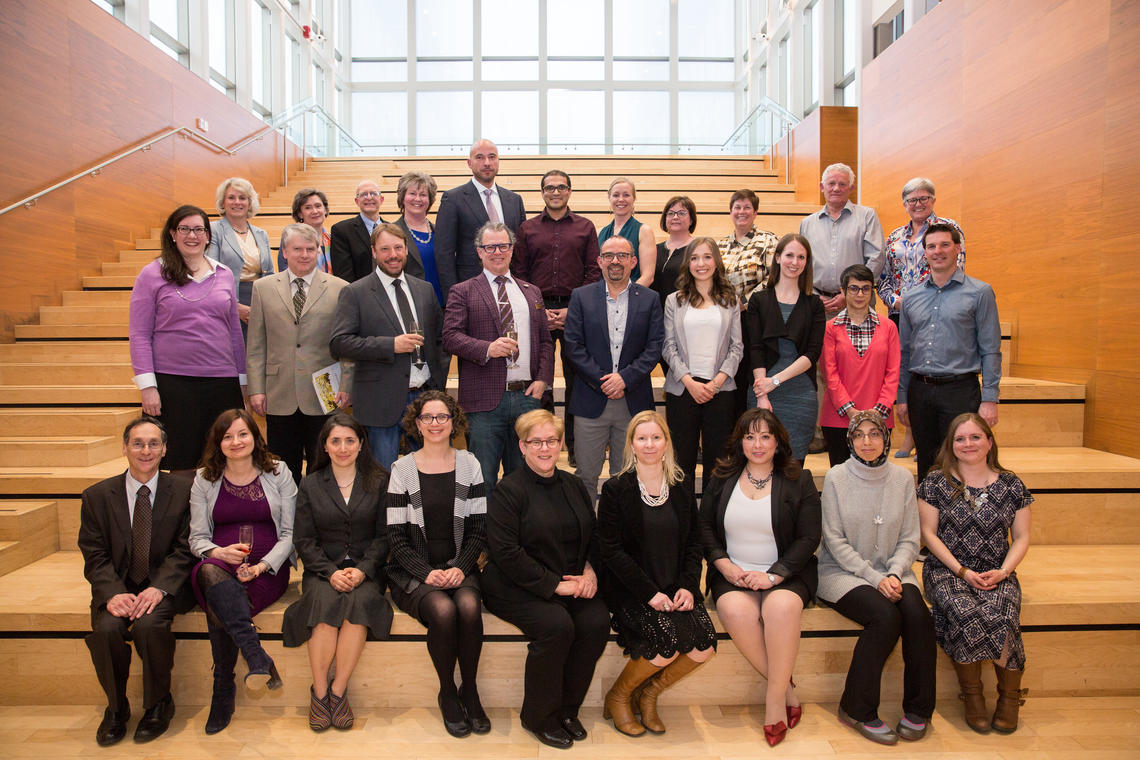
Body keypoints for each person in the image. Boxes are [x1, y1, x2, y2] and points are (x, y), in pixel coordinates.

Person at [481, 409, 609, 749]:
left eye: (551, 440)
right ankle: (537, 715)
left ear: (561, 445)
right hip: (515, 584)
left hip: (569, 579)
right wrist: (556, 585)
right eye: (535, 441)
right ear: (521, 446)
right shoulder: (509, 490)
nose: (544, 448)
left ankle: (566, 708)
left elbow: (593, 535)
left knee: (596, 621)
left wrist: (590, 570)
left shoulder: (574, 484)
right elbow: (506, 553)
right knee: (557, 626)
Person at [699, 408, 820, 747]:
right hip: (732, 571)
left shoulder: (800, 479)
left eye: (765, 436)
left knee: (779, 610)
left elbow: (809, 539)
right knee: (738, 611)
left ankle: (773, 704)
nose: (757, 444)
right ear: (739, 442)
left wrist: (774, 576)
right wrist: (722, 564)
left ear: (778, 441)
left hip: (787, 571)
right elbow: (705, 526)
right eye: (750, 436)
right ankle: (788, 691)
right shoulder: (722, 476)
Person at [817, 411, 936, 745]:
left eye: (874, 434)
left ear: (886, 438)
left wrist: (895, 573)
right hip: (842, 573)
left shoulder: (901, 479)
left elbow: (911, 538)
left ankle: (919, 709)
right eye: (859, 435)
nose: (866, 442)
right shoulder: (836, 477)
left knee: (918, 616)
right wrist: (874, 577)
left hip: (894, 570)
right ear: (849, 440)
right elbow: (834, 540)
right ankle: (856, 708)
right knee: (885, 617)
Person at [597, 411, 716, 737]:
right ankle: (619, 695)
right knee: (666, 641)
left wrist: (689, 587)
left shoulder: (680, 485)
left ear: (666, 443)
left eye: (656, 437)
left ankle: (649, 694)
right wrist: (650, 593)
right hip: (632, 590)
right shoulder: (616, 489)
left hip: (675, 586)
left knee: (704, 644)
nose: (649, 444)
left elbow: (694, 543)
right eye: (642, 438)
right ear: (632, 445)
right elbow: (611, 551)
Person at [78, 417, 194, 746]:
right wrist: (112, 594)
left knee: (148, 627)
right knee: (107, 631)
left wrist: (159, 587)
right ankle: (116, 708)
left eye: (153, 443)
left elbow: (186, 547)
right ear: (125, 447)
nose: (146, 450)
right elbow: (94, 554)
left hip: (164, 584)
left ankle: (159, 704)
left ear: (165, 449)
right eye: (138, 443)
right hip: (117, 584)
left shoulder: (185, 491)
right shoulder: (97, 496)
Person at [918, 413, 1032, 735]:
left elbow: (1021, 537)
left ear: (989, 442)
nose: (968, 444)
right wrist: (962, 571)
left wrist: (1004, 571)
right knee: (966, 613)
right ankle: (972, 695)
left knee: (1004, 614)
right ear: (951, 446)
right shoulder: (935, 483)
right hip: (947, 570)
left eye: (975, 437)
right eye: (960, 439)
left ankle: (1009, 697)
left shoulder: (1012, 484)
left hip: (999, 570)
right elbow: (928, 534)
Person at [386, 391, 490, 738]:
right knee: (443, 611)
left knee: (469, 605)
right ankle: (448, 691)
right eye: (427, 417)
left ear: (453, 421)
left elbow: (478, 528)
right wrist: (426, 572)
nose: (435, 424)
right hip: (413, 569)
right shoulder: (401, 470)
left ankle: (470, 690)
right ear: (417, 424)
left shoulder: (469, 464)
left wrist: (461, 566)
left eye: (442, 417)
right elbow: (396, 538)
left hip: (460, 564)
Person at [282, 412, 392, 732]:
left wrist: (362, 571)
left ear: (361, 445)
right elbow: (304, 539)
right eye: (335, 441)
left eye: (349, 440)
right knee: (323, 606)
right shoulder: (312, 483)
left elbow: (385, 537)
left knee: (358, 607)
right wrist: (330, 572)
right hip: (321, 571)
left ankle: (338, 691)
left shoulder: (380, 480)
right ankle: (319, 693)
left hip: (366, 572)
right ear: (325, 446)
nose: (343, 447)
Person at [188, 409, 296, 735]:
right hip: (219, 563)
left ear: (254, 436)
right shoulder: (204, 478)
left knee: (221, 600)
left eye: (242, 434)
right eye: (227, 436)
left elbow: (290, 534)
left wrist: (262, 566)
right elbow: (196, 538)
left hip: (267, 570)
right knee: (210, 575)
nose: (236, 442)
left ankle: (223, 686)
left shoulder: (278, 472)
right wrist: (218, 552)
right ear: (218, 443)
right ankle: (255, 655)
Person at [129, 205, 245, 474]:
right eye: (184, 229)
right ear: (172, 234)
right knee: (181, 463)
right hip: (173, 384)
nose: (192, 235)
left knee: (227, 460)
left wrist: (243, 381)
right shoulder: (151, 274)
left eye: (198, 229)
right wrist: (147, 386)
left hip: (221, 381)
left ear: (207, 236)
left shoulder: (224, 273)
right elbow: (139, 334)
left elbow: (235, 334)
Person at [443, 222, 553, 492]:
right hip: (484, 402)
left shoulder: (531, 292)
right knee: (483, 480)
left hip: (527, 398)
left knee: (525, 479)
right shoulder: (463, 291)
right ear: (479, 251)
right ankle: (485, 535)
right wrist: (487, 348)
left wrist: (542, 380)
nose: (497, 252)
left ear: (512, 249)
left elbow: (546, 342)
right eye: (489, 246)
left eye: (503, 246)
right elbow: (450, 337)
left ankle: (520, 534)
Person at [330, 223, 446, 469]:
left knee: (430, 472)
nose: (393, 255)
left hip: (424, 398)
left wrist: (437, 385)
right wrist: (390, 345)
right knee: (382, 477)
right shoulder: (355, 292)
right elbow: (340, 343)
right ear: (373, 252)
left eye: (398, 248)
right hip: (379, 401)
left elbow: (439, 340)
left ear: (406, 249)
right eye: (385, 249)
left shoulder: (424, 290)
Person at [246, 224, 353, 484]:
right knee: (282, 468)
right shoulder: (263, 288)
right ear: (284, 251)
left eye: (310, 249)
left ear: (318, 251)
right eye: (297, 249)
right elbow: (256, 344)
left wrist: (348, 384)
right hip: (279, 391)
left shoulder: (340, 288)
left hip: (325, 391)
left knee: (323, 467)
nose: (304, 254)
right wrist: (256, 389)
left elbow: (346, 343)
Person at [564, 235, 664, 501]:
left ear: (633, 261)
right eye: (608, 255)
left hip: (633, 401)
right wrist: (604, 380)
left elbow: (654, 346)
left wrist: (625, 379)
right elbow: (573, 345)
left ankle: (619, 537)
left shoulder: (650, 299)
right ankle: (586, 538)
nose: (615, 261)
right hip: (590, 399)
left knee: (627, 477)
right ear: (599, 261)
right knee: (585, 475)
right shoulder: (581, 297)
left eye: (622, 255)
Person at [898, 223, 1001, 479]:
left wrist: (989, 399)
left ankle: (959, 519)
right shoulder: (911, 297)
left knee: (961, 464)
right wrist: (902, 397)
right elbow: (905, 352)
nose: (938, 251)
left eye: (945, 245)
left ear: (957, 248)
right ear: (925, 253)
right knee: (927, 464)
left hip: (960, 391)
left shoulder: (980, 293)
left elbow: (991, 350)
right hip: (920, 391)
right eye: (931, 246)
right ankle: (928, 519)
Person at [512, 169, 601, 462]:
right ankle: (543, 445)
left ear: (569, 192)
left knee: (578, 381)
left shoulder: (586, 227)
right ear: (542, 193)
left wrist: (572, 308)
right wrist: (538, 308)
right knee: (541, 379)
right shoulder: (527, 229)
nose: (555, 192)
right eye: (549, 187)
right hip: (536, 310)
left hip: (576, 312)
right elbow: (519, 273)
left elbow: (593, 271)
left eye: (561, 187)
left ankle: (577, 449)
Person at [879, 178, 965, 460]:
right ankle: (911, 434)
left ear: (933, 200)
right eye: (912, 200)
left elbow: (956, 269)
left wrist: (920, 300)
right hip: (900, 315)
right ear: (904, 204)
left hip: (936, 312)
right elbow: (884, 279)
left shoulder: (948, 230)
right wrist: (895, 301)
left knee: (926, 371)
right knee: (906, 370)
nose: (918, 204)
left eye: (923, 198)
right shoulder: (893, 238)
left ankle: (927, 437)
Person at [662, 236, 742, 500]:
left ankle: (710, 526)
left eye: (707, 257)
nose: (701, 263)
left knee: (717, 462)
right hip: (683, 389)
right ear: (688, 264)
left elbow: (736, 348)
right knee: (681, 462)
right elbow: (668, 346)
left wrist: (716, 383)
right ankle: (684, 527)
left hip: (720, 390)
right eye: (695, 258)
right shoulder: (674, 300)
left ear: (716, 262)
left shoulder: (731, 300)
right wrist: (690, 382)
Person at [747, 234, 825, 461]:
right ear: (778, 258)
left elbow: (812, 354)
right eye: (790, 255)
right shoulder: (759, 300)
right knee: (761, 461)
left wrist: (776, 381)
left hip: (800, 394)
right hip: (762, 392)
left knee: (793, 466)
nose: (795, 262)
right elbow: (755, 349)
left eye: (801, 257)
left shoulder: (814, 304)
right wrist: (762, 392)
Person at [820, 264, 900, 466]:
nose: (860, 294)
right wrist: (850, 411)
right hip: (839, 419)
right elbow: (830, 374)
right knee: (841, 481)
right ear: (843, 291)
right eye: (854, 288)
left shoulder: (888, 327)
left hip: (879, 417)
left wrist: (878, 411)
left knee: (876, 481)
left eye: (865, 288)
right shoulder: (830, 329)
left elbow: (893, 373)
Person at [435, 139, 526, 302]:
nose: (487, 162)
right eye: (480, 157)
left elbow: (520, 252)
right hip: (470, 292)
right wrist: (453, 297)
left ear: (498, 161)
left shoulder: (514, 200)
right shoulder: (453, 199)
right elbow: (444, 254)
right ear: (469, 163)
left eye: (492, 157)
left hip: (510, 289)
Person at [719, 189, 780, 416]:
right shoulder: (721, 245)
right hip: (727, 318)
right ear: (730, 211)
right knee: (730, 373)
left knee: (751, 372)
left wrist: (742, 301)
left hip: (755, 318)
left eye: (747, 207)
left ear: (755, 212)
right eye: (737, 207)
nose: (741, 212)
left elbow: (774, 278)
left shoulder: (768, 240)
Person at [797, 163, 884, 314]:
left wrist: (849, 293)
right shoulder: (807, 223)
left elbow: (876, 258)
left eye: (842, 184)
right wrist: (812, 294)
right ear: (822, 186)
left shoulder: (867, 216)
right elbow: (802, 264)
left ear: (850, 188)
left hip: (858, 301)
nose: (836, 188)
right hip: (818, 304)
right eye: (831, 183)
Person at [205, 177, 273, 335]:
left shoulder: (261, 234)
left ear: (250, 203)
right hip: (228, 300)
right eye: (231, 197)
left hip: (259, 300)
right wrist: (235, 306)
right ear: (223, 202)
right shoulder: (214, 230)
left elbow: (269, 273)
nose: (237, 202)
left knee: (257, 354)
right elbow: (213, 273)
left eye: (242, 198)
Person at [597, 176, 657, 285]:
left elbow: (648, 277)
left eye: (626, 195)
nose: (621, 199)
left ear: (634, 198)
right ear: (609, 198)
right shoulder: (600, 232)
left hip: (633, 296)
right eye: (616, 195)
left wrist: (626, 298)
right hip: (602, 297)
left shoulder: (644, 231)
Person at [330, 179, 392, 283]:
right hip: (359, 294)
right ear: (356, 201)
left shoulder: (393, 230)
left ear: (381, 199)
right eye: (363, 194)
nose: (368, 197)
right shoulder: (341, 230)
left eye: (373, 194)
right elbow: (343, 274)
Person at [393, 170, 440, 301]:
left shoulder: (440, 231)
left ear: (430, 200)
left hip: (442, 304)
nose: (418, 199)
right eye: (412, 193)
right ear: (402, 197)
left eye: (423, 194)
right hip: (407, 302)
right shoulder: (392, 232)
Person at [652, 195, 698, 308]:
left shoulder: (698, 249)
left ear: (691, 219)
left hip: (685, 313)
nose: (675, 217)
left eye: (682, 213)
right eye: (671, 213)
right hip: (656, 315)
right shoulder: (654, 249)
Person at [282, 187, 332, 272]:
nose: (315, 211)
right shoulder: (291, 239)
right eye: (308, 208)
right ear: (300, 214)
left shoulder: (333, 239)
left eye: (318, 206)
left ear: (325, 210)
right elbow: (285, 270)